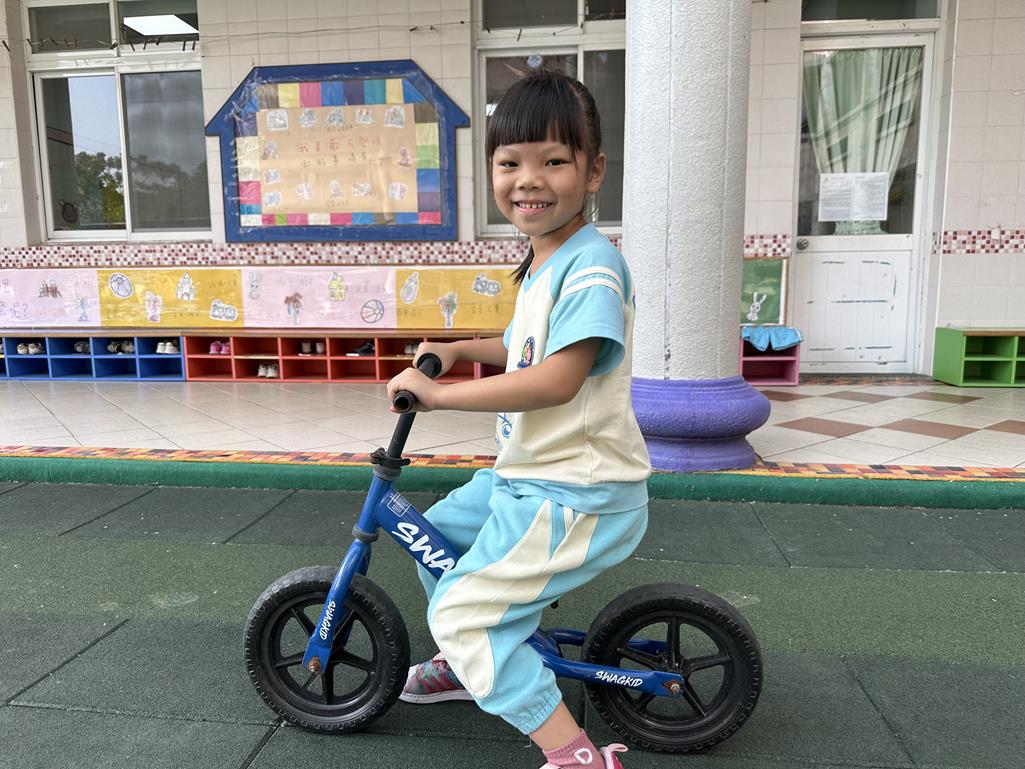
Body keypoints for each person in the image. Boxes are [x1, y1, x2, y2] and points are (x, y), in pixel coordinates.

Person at [385, 70, 651, 769]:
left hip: (576, 494)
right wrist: (457, 350)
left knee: (461, 610)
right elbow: (525, 346)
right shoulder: (545, 260)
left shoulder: (592, 269)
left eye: (553, 161)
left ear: (593, 171)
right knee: (436, 534)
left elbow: (558, 378)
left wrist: (439, 396)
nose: (529, 180)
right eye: (510, 163)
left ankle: (574, 755)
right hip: (528, 477)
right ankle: (470, 662)